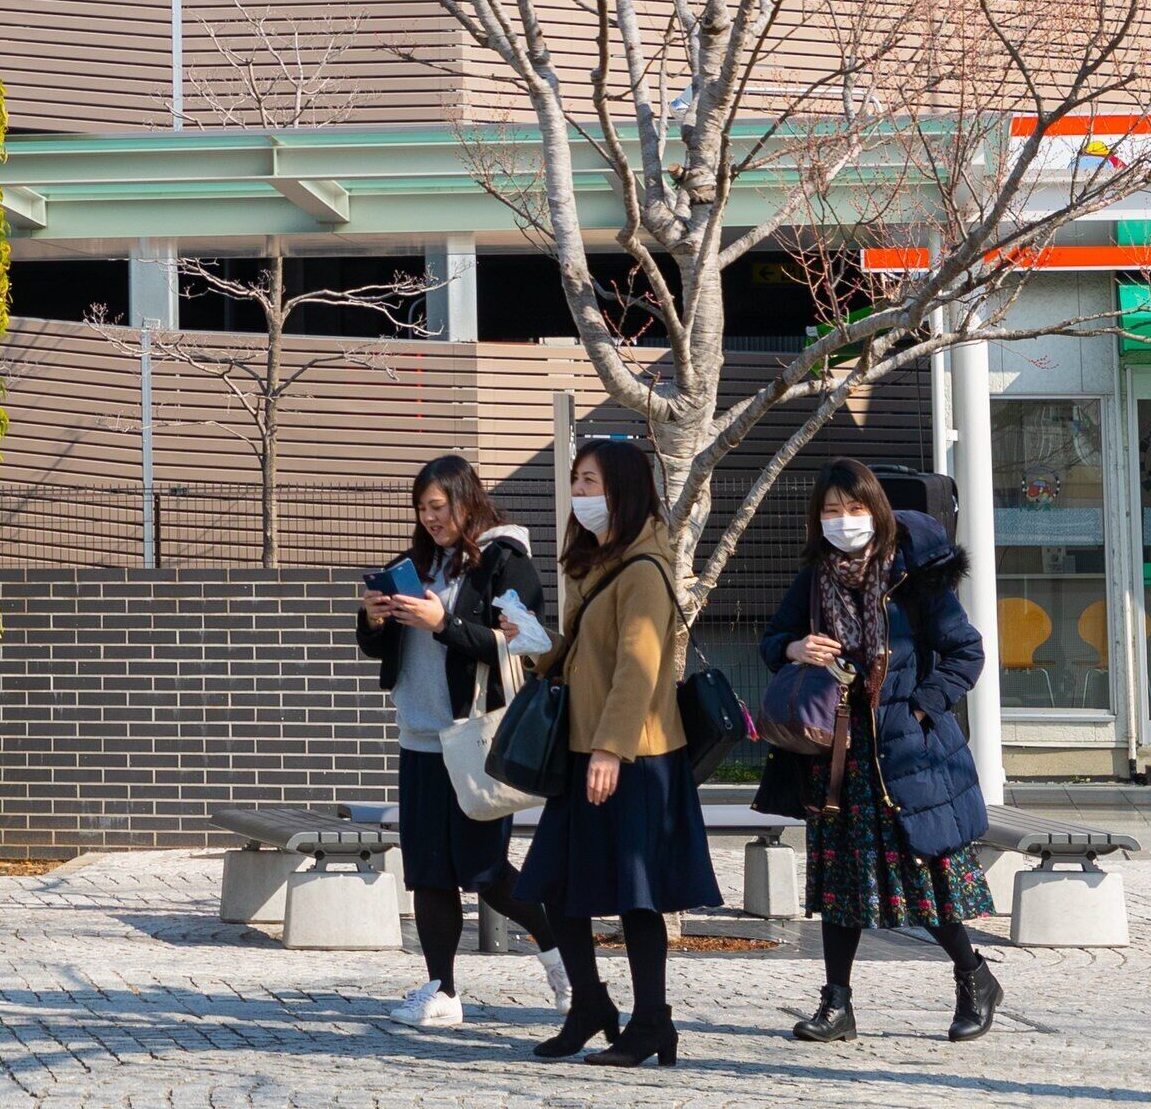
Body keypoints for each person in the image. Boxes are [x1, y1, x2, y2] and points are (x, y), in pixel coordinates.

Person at [758, 458, 1000, 1044]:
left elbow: (966, 652)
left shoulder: (913, 576)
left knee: (924, 876)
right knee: (841, 883)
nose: (844, 521)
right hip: (836, 755)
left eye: (856, 508)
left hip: (903, 751)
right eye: (833, 511)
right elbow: (770, 641)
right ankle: (837, 1006)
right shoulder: (814, 577)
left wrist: (921, 708)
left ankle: (974, 976)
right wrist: (795, 648)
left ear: (878, 511)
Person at [514, 436, 717, 1066]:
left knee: (637, 895)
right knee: (552, 884)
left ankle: (653, 1020)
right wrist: (528, 638)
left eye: (592, 483)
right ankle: (591, 1004)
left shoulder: (646, 568)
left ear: (624, 489)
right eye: (576, 482)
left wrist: (610, 749)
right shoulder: (591, 564)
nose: (581, 495)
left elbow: (638, 667)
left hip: (634, 755)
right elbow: (583, 654)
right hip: (583, 749)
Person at [354, 453, 568, 1026]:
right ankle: (442, 991)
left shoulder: (504, 560)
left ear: (465, 499)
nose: (430, 519)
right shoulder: (413, 564)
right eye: (422, 509)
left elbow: (529, 640)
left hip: (474, 737)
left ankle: (560, 956)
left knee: (483, 869)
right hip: (419, 737)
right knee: (428, 872)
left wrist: (441, 623)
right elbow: (379, 651)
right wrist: (374, 618)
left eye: (439, 506)